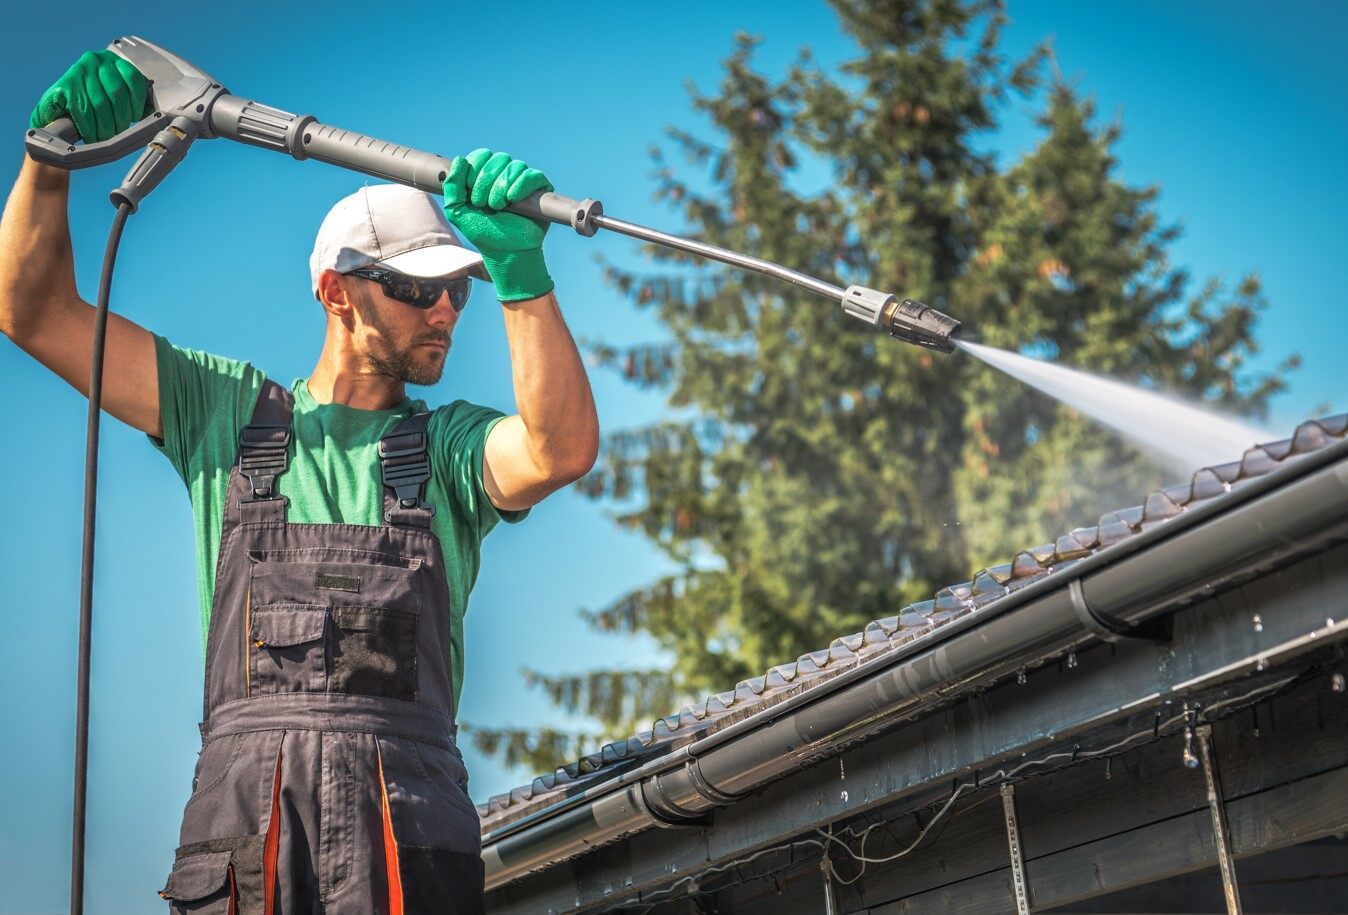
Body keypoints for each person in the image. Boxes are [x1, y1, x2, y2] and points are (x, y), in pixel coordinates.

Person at [1, 50, 599, 913]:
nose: (444, 312)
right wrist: (47, 162)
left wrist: (521, 277)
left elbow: (558, 449)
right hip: (250, 829)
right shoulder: (226, 413)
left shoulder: (449, 450)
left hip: (408, 830)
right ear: (336, 291)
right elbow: (36, 313)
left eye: (457, 294)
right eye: (414, 289)